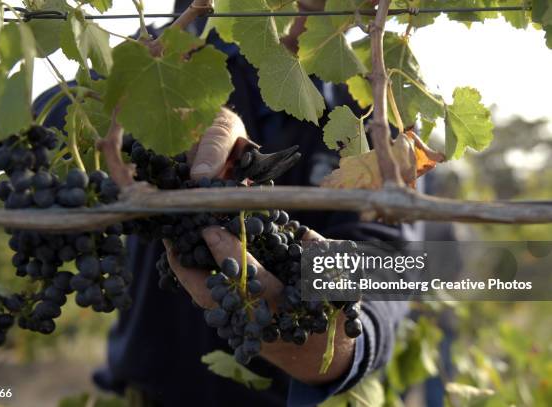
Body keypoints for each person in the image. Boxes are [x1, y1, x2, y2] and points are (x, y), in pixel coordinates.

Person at [33, 1, 413, 405]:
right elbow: (41, 122)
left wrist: (330, 342)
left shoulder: (373, 112)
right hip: (148, 393)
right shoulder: (160, 51)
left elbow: (391, 268)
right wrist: (166, 115)